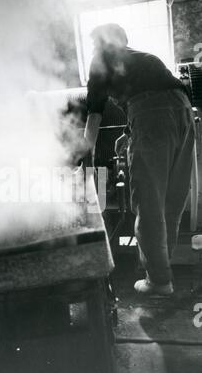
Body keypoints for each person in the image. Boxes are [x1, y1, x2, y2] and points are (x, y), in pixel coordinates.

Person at [83, 23, 195, 295]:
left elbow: (95, 113)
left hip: (152, 118)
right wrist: (130, 132)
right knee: (171, 198)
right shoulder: (147, 58)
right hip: (185, 114)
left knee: (148, 201)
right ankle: (162, 273)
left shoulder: (101, 58)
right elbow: (163, 100)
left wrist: (85, 156)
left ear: (101, 42)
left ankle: (158, 281)